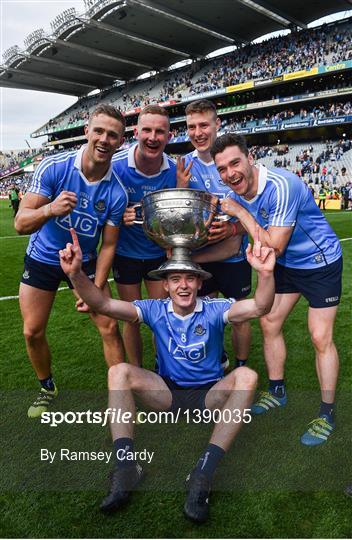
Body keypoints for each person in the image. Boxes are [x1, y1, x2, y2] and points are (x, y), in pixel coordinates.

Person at [59, 226, 275, 523]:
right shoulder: (154, 308)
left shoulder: (215, 308)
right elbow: (103, 304)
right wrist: (75, 274)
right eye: (175, 279)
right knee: (119, 371)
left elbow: (261, 306)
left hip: (210, 396)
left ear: (199, 283)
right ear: (166, 285)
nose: (183, 286)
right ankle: (125, 469)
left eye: (189, 278)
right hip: (167, 394)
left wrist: (265, 274)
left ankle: (203, 474)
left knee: (247, 376)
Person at [211, 133, 343, 446]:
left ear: (249, 158)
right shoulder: (236, 191)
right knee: (269, 321)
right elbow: (251, 234)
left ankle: (327, 412)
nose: (230, 173)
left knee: (319, 336)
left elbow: (274, 246)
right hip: (287, 267)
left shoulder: (283, 186)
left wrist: (240, 214)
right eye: (222, 169)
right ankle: (277, 390)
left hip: (319, 261)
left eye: (234, 163)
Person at [15, 104, 128, 418]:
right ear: (86, 132)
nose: (105, 139)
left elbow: (108, 245)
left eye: (113, 135)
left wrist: (96, 284)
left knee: (108, 326)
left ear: (120, 141)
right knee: (32, 331)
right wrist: (50, 209)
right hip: (43, 258)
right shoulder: (54, 167)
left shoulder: (117, 192)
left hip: (86, 262)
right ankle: (47, 387)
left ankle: (122, 398)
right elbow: (21, 223)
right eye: (99, 131)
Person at [177, 99, 252, 371]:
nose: (197, 132)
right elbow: (181, 217)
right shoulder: (185, 165)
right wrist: (181, 187)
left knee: (240, 316)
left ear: (217, 124)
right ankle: (215, 362)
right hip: (202, 256)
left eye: (204, 125)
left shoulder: (234, 161)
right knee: (202, 313)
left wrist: (233, 228)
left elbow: (255, 215)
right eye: (191, 126)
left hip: (234, 257)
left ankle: (241, 367)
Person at [111, 105, 177, 366]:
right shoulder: (114, 166)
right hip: (125, 254)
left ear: (169, 136)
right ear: (135, 132)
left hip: (157, 255)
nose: (153, 137)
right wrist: (119, 217)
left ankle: (164, 371)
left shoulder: (174, 170)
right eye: (147, 130)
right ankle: (136, 372)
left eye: (160, 131)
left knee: (160, 318)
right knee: (132, 318)